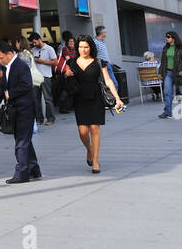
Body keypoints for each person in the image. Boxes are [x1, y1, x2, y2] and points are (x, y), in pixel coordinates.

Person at [63, 36, 121, 174]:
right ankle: (89, 150)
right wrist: (66, 74)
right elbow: (66, 78)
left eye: (86, 47)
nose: (83, 50)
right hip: (79, 99)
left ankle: (95, 161)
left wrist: (117, 98)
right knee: (83, 132)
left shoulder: (99, 62)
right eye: (80, 47)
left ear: (91, 48)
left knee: (95, 129)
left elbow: (108, 81)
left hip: (95, 98)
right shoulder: (71, 62)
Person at [0, 39, 41, 183]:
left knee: (21, 141)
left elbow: (27, 85)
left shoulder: (21, 66)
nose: (0, 61)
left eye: (1, 58)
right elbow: (2, 87)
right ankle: (33, 168)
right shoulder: (7, 67)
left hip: (25, 109)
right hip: (15, 109)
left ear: (9, 54)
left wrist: (10, 94)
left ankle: (22, 173)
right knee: (24, 139)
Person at [157, 31, 182, 119]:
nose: (166, 38)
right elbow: (162, 62)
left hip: (178, 74)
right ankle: (167, 112)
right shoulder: (165, 49)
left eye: (168, 37)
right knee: (167, 93)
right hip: (167, 73)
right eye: (166, 37)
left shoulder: (180, 50)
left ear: (173, 38)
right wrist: (159, 72)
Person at [28, 33, 57, 124]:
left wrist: (42, 62)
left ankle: (50, 119)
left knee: (48, 99)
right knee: (36, 99)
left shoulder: (49, 49)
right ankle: (39, 118)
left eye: (35, 42)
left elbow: (55, 62)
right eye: (33, 43)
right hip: (36, 77)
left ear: (39, 39)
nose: (34, 44)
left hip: (46, 76)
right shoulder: (33, 50)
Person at [93, 25, 118, 89]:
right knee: (113, 84)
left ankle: (114, 98)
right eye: (105, 32)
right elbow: (94, 55)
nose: (106, 33)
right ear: (102, 33)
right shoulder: (95, 42)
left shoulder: (102, 41)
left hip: (107, 64)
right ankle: (114, 98)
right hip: (102, 65)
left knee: (113, 84)